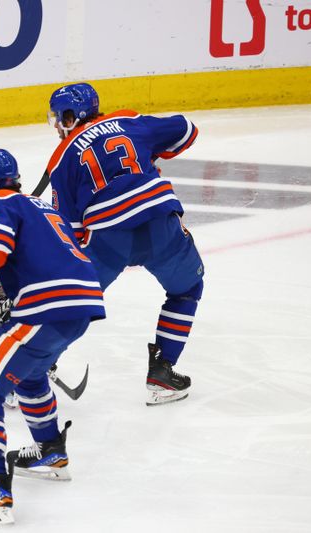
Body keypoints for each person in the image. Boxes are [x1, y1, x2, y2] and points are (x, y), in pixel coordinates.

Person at [0, 149, 105, 525]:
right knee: (30, 374)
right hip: (82, 302)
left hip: (46, 305)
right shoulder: (42, 207)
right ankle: (51, 450)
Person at [45, 82, 204, 405]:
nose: (57, 126)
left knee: (75, 305)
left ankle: (32, 370)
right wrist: (148, 148)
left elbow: (70, 230)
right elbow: (187, 130)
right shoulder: (129, 120)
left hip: (107, 236)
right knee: (187, 288)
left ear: (72, 117)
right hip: (159, 219)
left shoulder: (60, 160)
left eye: (59, 118)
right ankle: (162, 372)